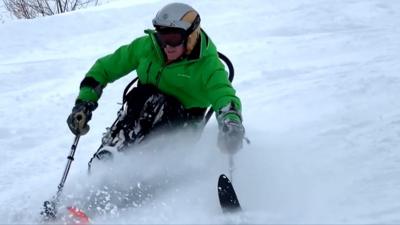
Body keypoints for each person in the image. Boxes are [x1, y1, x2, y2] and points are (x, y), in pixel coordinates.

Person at [66, 3, 245, 160]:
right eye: (162, 37)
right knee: (143, 96)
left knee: (156, 102)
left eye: (173, 39)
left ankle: (140, 173)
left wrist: (231, 123)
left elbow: (224, 96)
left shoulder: (208, 66)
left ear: (190, 36)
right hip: (139, 115)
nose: (167, 46)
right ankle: (106, 163)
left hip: (180, 127)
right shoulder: (147, 48)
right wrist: (84, 103)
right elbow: (105, 68)